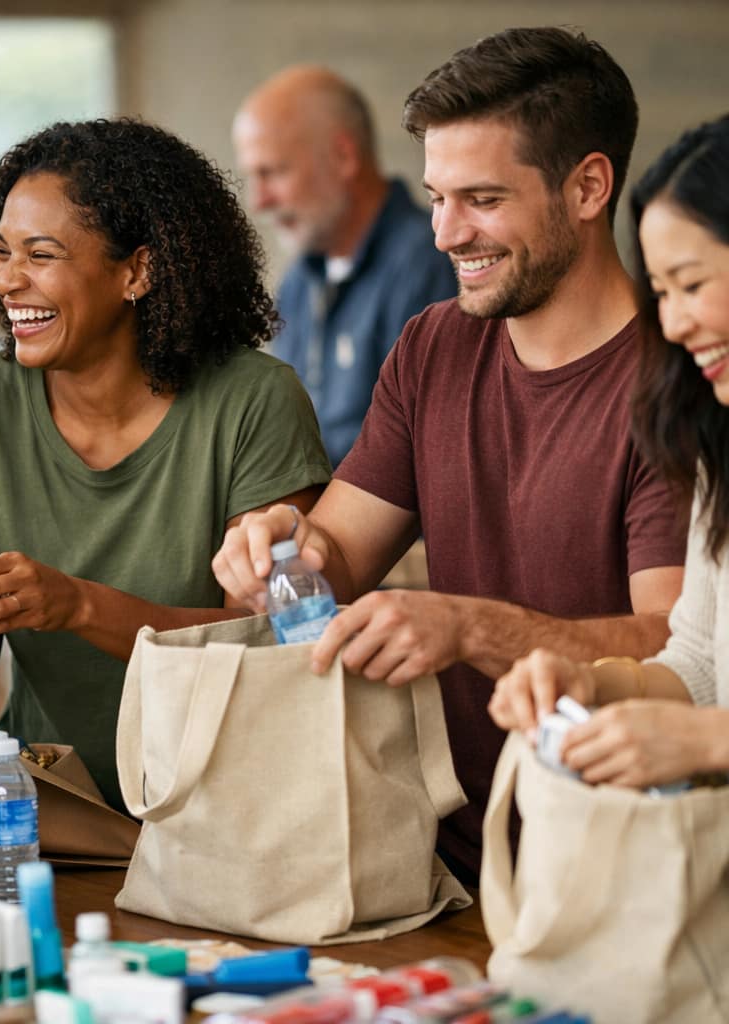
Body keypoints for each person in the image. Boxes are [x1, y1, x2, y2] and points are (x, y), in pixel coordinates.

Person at [213, 28, 688, 882]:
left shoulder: (679, 378)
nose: (444, 234)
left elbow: (674, 650)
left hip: (634, 865)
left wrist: (466, 627)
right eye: (435, 197)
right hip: (458, 859)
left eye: (481, 199)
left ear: (587, 187)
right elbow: (341, 554)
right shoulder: (435, 344)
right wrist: (283, 545)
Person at [0, 118, 330, 810]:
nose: (5, 279)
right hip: (50, 807)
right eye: (0, 251)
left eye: (41, 254)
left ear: (137, 271)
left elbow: (269, 652)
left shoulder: (255, 402)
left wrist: (80, 605)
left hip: (230, 808)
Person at [489, 116, 729, 787]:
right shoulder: (718, 449)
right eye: (661, 294)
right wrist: (593, 686)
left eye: (692, 284)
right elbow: (704, 662)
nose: (674, 324)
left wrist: (709, 740)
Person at [233, 65, 456, 466]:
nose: (259, 201)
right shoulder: (298, 282)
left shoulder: (432, 264)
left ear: (343, 156)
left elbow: (430, 460)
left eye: (273, 172)